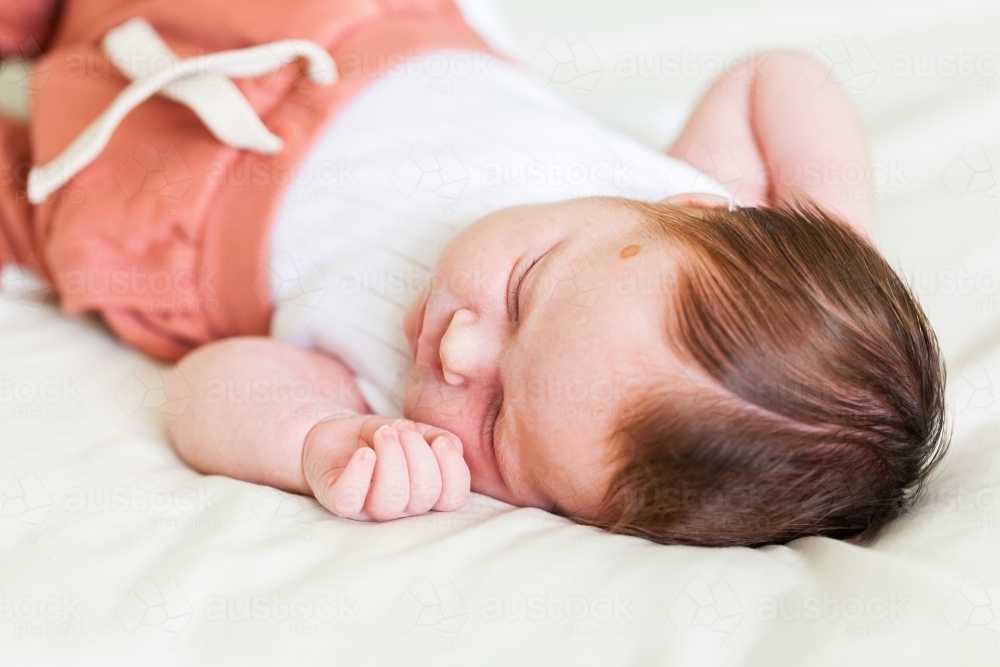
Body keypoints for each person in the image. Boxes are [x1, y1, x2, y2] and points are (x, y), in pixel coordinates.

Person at [0, 0, 946, 547]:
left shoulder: (393, 422)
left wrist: (319, 442)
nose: (458, 347)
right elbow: (777, 75)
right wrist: (832, 227)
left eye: (497, 420)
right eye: (527, 288)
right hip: (319, 30)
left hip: (147, 204)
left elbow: (211, 387)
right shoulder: (687, 198)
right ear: (709, 212)